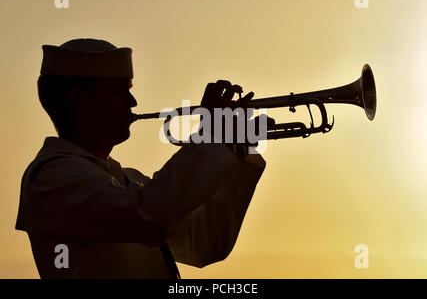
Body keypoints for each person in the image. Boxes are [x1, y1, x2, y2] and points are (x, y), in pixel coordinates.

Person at [15, 38, 270, 278]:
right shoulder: (50, 178)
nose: (133, 101)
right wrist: (211, 137)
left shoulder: (127, 180)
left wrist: (236, 150)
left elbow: (201, 244)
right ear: (80, 100)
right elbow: (150, 216)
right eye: (120, 91)